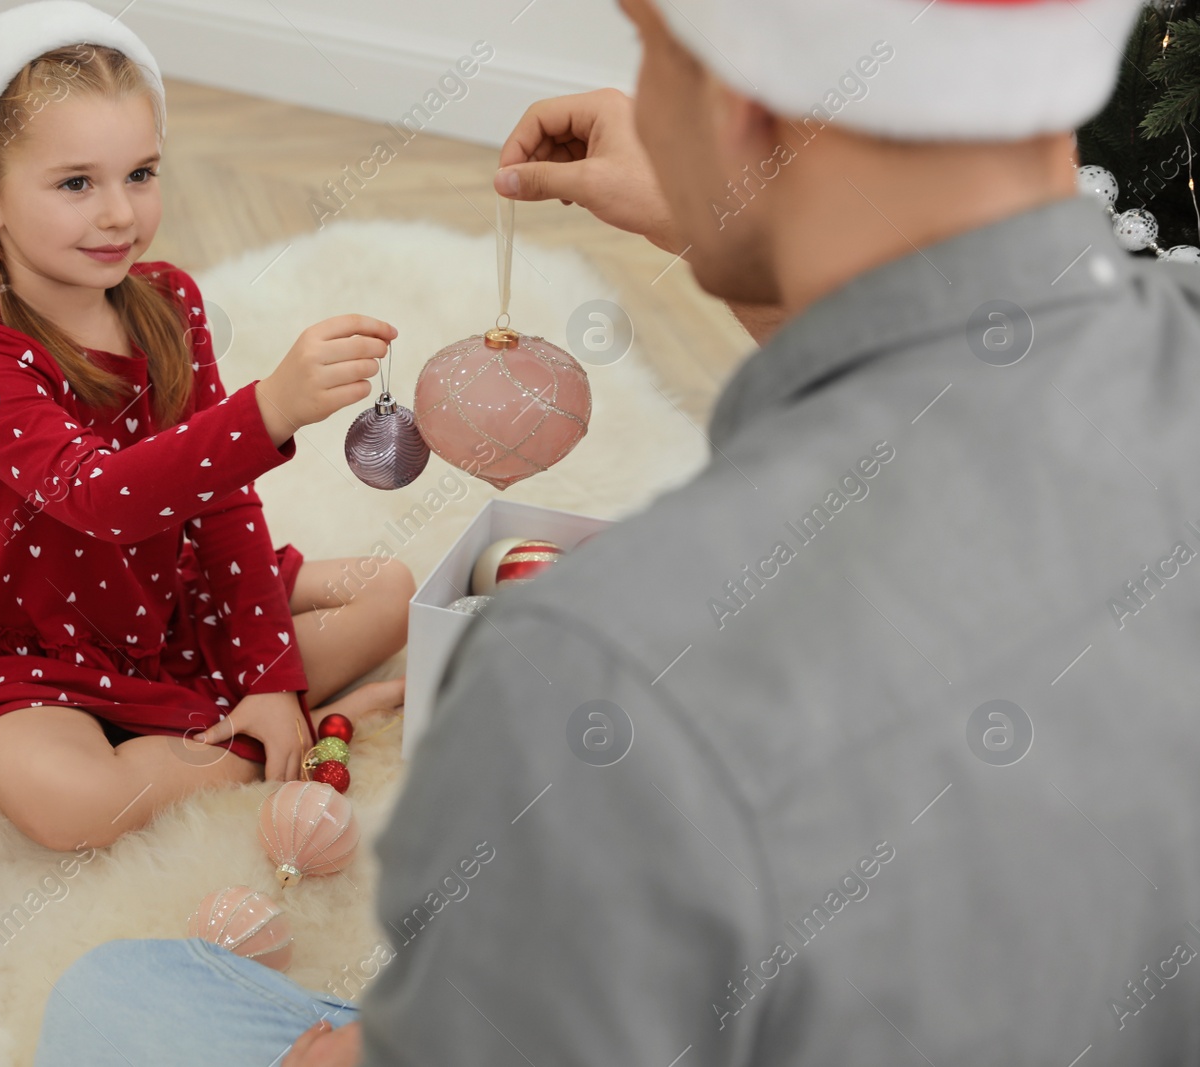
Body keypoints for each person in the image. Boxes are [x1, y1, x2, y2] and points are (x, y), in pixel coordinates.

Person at [289, 0, 1200, 1062]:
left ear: (738, 101)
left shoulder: (597, 681)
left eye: (654, 52)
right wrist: (730, 205)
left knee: (136, 988)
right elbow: (955, 389)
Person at [0, 0, 411, 852]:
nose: (120, 214)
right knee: (76, 807)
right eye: (77, 183)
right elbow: (105, 499)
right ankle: (287, 734)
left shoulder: (168, 302)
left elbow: (222, 503)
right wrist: (269, 409)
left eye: (141, 173)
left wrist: (266, 674)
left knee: (393, 592)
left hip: (166, 599)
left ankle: (265, 713)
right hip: (36, 641)